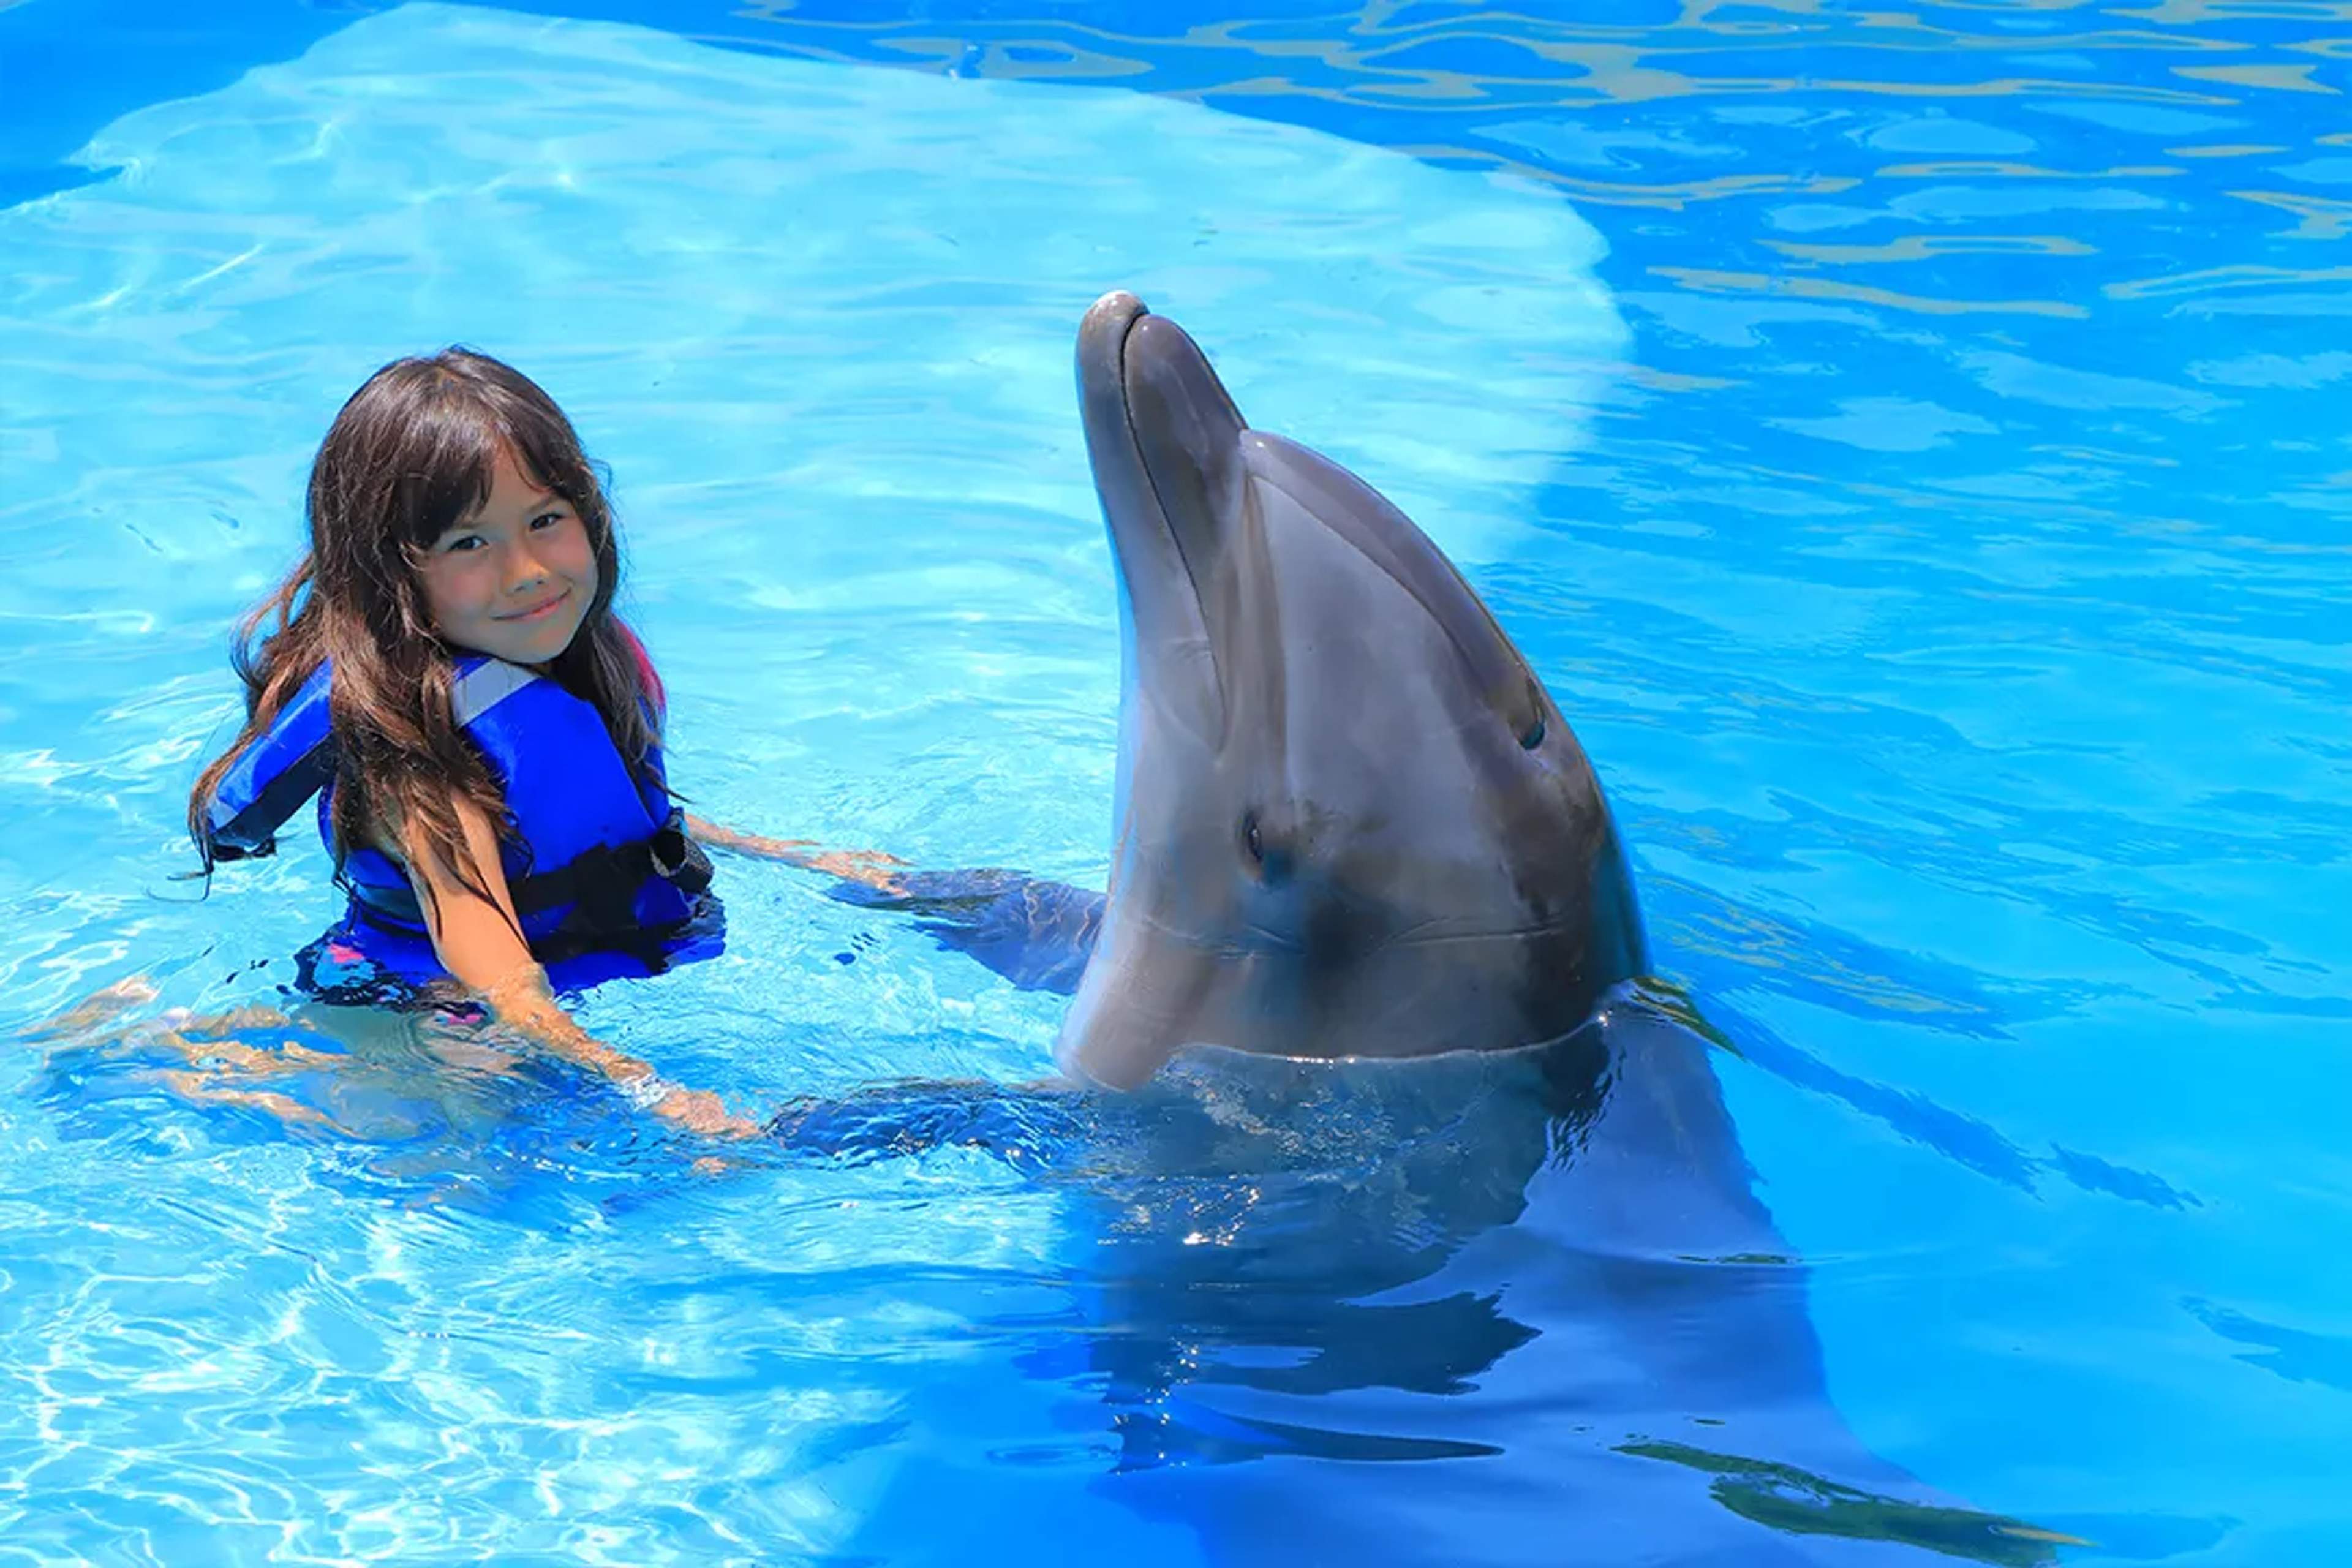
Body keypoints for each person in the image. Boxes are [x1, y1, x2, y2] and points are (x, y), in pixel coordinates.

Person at [181, 348, 892, 1138]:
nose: (526, 572)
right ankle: (185, 1059)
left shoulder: (570, 661)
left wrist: (794, 856)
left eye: (546, 521)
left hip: (571, 959)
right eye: (467, 544)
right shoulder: (421, 773)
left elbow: (621, 819)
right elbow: (502, 982)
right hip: (431, 1008)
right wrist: (649, 1090)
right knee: (471, 1159)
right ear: (389, 576)